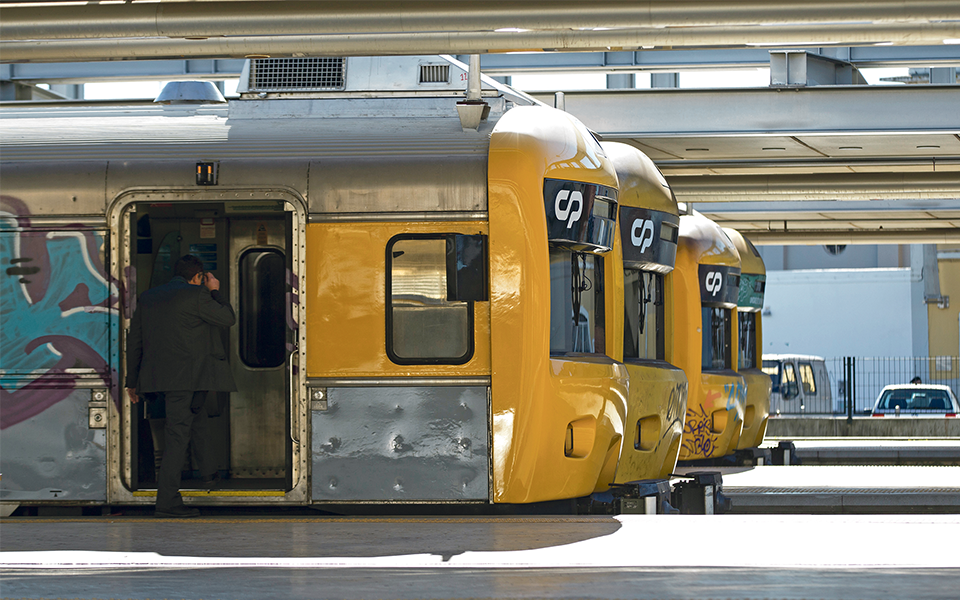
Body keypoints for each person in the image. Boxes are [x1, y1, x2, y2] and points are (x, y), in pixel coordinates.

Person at [125, 254, 237, 518]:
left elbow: (135, 341)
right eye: (202, 279)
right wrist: (215, 291)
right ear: (198, 277)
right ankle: (167, 502)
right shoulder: (197, 296)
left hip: (160, 379)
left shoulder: (149, 297)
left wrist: (133, 381)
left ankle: (209, 473)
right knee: (177, 436)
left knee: (195, 417)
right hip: (187, 379)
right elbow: (228, 318)